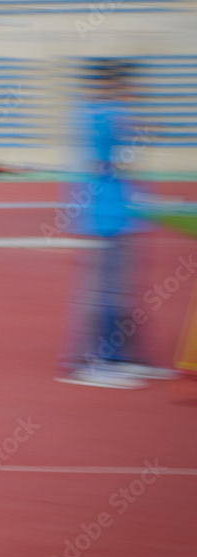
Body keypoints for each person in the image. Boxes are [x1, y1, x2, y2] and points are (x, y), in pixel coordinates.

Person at [56, 60, 177, 389]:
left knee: (121, 292)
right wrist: (139, 124)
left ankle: (124, 355)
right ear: (110, 85)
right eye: (123, 85)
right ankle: (90, 360)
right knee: (104, 292)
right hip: (103, 215)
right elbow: (119, 153)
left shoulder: (103, 113)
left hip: (119, 213)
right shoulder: (102, 115)